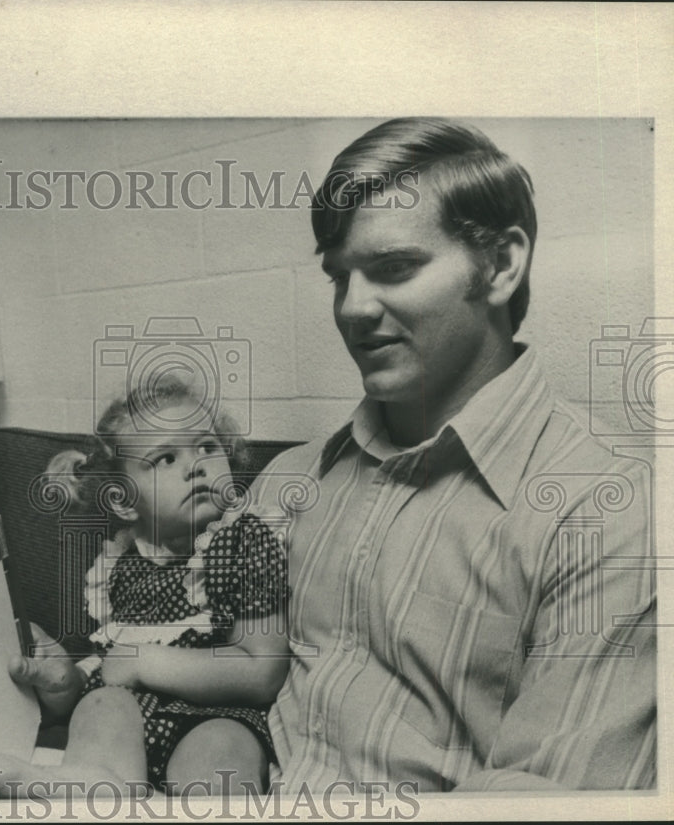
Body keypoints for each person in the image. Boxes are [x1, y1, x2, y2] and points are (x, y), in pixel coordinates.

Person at [244, 117, 656, 792]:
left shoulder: (609, 512)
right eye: (338, 278)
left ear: (499, 264)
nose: (352, 308)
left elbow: (548, 806)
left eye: (394, 268)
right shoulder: (303, 475)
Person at [0, 377, 290, 795]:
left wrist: (143, 662)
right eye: (167, 458)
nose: (197, 465)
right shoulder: (121, 564)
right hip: (132, 716)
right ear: (124, 501)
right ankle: (95, 787)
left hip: (219, 714)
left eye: (208, 446)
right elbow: (108, 665)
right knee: (100, 707)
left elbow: (264, 672)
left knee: (221, 751)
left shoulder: (243, 540)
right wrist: (64, 681)